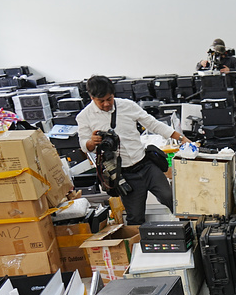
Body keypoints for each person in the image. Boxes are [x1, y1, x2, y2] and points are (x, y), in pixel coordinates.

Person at [77, 75, 189, 225]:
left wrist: (182, 138)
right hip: (124, 175)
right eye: (101, 101)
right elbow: (84, 145)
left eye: (109, 99)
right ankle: (139, 246)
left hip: (146, 165)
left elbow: (153, 124)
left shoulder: (127, 106)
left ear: (113, 94)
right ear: (91, 98)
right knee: (135, 218)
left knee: (171, 198)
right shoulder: (84, 117)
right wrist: (92, 142)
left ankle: (190, 230)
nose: (106, 104)